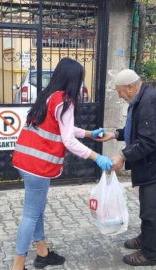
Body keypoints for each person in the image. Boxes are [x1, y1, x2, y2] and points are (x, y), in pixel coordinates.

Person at [12, 58, 113, 270]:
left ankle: (42, 254)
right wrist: (97, 157)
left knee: (37, 209)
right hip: (38, 166)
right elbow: (68, 140)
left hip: (25, 160)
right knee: (31, 213)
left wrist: (88, 134)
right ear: (73, 80)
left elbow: (63, 128)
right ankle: (18, 266)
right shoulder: (65, 100)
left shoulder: (49, 96)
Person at [97, 69, 156, 266]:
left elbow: (146, 141)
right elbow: (137, 130)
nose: (119, 96)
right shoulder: (140, 98)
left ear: (130, 86)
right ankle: (146, 238)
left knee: (153, 210)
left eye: (120, 91)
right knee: (148, 207)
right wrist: (115, 134)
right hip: (154, 162)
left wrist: (122, 156)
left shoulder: (149, 102)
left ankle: (148, 254)